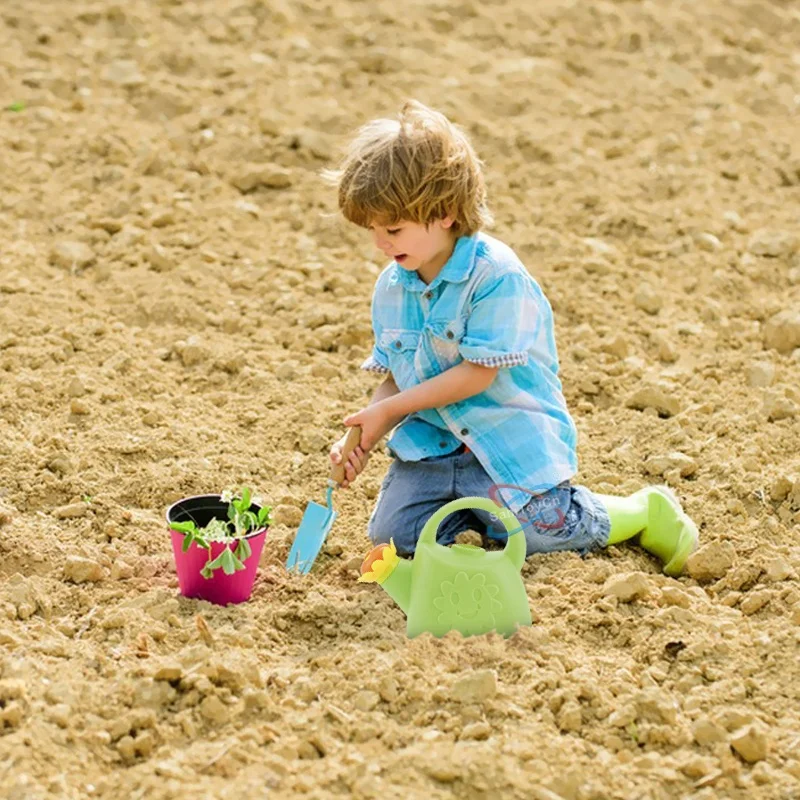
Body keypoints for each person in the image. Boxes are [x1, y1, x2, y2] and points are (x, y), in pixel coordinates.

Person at [325, 100, 698, 576]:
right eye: (373, 229)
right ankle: (477, 518)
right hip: (433, 449)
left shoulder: (496, 276)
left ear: (444, 213)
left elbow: (476, 376)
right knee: (394, 540)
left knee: (545, 533)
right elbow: (398, 377)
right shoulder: (392, 288)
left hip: (505, 446)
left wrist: (390, 409)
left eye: (393, 229)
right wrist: (364, 432)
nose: (380, 242)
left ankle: (642, 510)